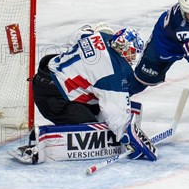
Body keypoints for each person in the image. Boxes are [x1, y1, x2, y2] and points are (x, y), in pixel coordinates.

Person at [10, 24, 157, 164]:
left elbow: (79, 34)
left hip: (46, 78)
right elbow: (117, 120)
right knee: (94, 131)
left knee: (97, 104)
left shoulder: (101, 36)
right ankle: (40, 144)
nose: (132, 58)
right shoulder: (113, 71)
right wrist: (133, 141)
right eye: (131, 52)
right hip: (54, 99)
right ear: (123, 48)